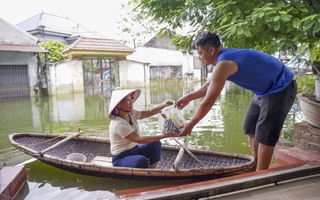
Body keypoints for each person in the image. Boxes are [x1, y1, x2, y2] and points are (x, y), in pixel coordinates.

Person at [176, 31, 297, 171]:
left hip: (280, 87)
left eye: (200, 53)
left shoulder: (225, 63)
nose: (199, 57)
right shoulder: (221, 61)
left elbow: (208, 101)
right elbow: (209, 85)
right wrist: (189, 97)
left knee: (266, 134)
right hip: (263, 92)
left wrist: (191, 124)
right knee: (250, 127)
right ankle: (255, 164)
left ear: (211, 50)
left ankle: (261, 175)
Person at [108, 89, 179, 168]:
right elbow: (139, 139)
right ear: (118, 105)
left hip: (135, 149)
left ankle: (152, 171)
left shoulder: (131, 113)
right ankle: (147, 174)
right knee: (141, 161)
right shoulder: (118, 123)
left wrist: (164, 104)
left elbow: (148, 112)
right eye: (128, 100)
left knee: (155, 143)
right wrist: (165, 136)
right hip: (121, 158)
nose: (131, 102)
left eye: (131, 99)